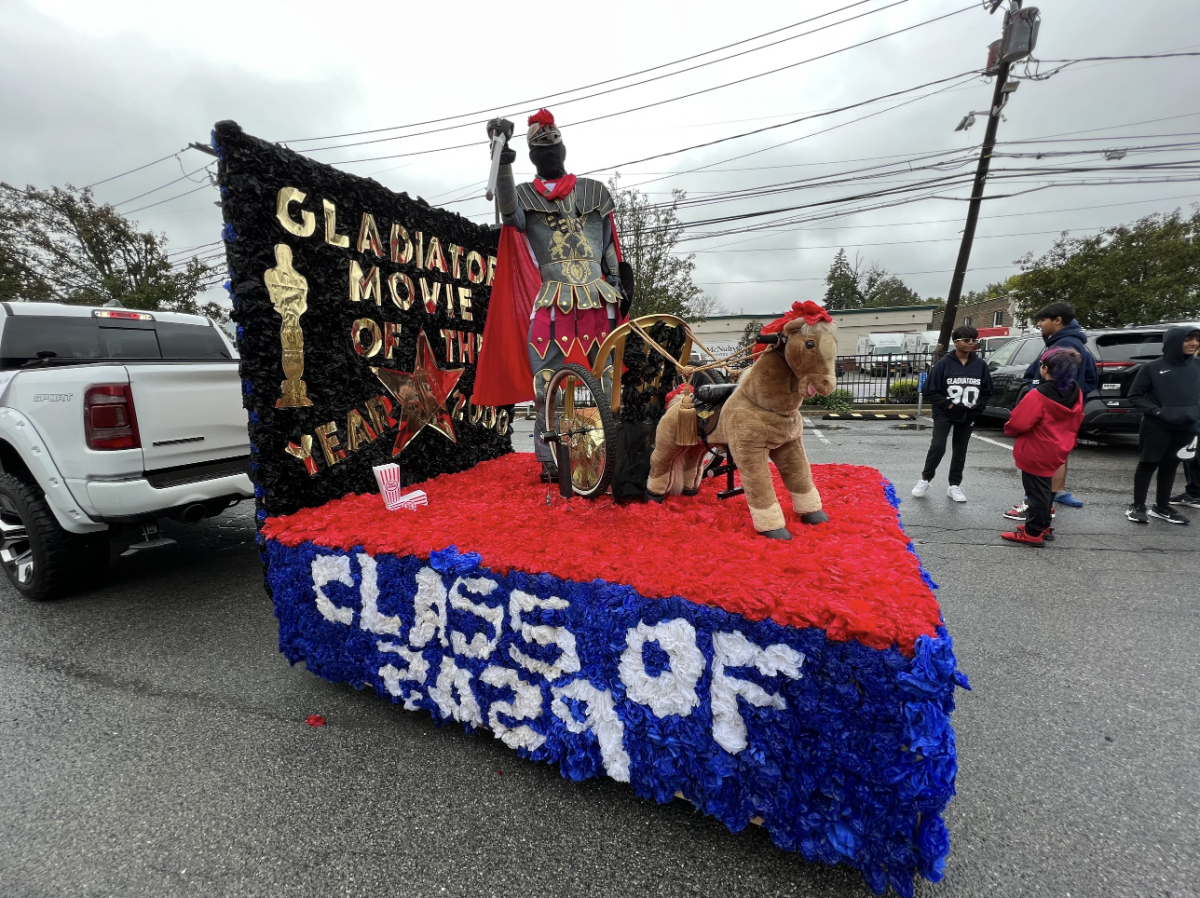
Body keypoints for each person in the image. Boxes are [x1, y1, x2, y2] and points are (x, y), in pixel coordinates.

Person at [476, 109, 629, 480]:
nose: (549, 153)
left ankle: (608, 450)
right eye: (540, 149)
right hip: (553, 297)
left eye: (553, 144)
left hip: (598, 296)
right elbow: (509, 210)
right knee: (545, 381)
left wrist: (620, 283)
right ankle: (548, 459)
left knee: (606, 379)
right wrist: (504, 164)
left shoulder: (595, 191)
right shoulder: (527, 195)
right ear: (532, 156)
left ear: (563, 147)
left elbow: (608, 243)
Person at [1001, 348, 1085, 547]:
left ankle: (1033, 532)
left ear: (1046, 369)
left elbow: (1018, 423)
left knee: (1036, 492)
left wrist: (1009, 428)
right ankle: (1043, 525)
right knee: (1047, 491)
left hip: (1037, 448)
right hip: (1060, 447)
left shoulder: (1037, 395)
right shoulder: (1075, 391)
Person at [1019, 302, 1098, 508]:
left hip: (1053, 409)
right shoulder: (1069, 344)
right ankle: (1056, 491)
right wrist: (1077, 397)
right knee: (1060, 449)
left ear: (1058, 320)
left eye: (1043, 320)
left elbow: (1085, 378)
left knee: (1046, 453)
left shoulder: (1065, 346)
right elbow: (1091, 378)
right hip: (1068, 409)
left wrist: (1048, 394)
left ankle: (1042, 500)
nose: (1039, 324)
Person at [1126, 326, 1200, 525]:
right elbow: (1134, 396)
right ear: (1174, 342)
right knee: (1148, 464)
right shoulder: (1152, 368)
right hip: (1157, 426)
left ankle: (1162, 506)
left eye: (1196, 339)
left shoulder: (1198, 366)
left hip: (1187, 427)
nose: (1194, 343)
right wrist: (1158, 412)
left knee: (1171, 466)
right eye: (1188, 339)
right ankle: (1138, 506)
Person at [912, 325, 993, 502]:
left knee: (960, 450)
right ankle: (925, 479)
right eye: (967, 340)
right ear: (956, 342)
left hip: (968, 414)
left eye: (974, 340)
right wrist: (948, 406)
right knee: (938, 446)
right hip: (945, 413)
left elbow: (987, 390)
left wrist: (978, 407)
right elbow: (930, 390)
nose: (971, 343)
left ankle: (954, 485)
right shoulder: (943, 365)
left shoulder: (980, 365)